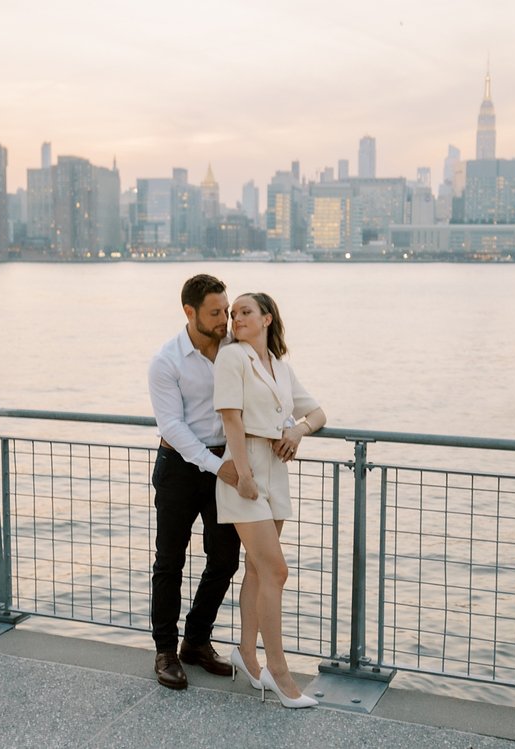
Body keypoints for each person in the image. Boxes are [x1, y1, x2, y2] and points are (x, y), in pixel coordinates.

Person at [213, 292, 326, 709]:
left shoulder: (280, 367)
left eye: (245, 312)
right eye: (233, 313)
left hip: (277, 470)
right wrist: (242, 475)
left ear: (267, 318)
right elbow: (231, 418)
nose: (236, 318)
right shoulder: (232, 357)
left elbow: (317, 413)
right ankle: (279, 673)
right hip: (246, 469)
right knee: (276, 570)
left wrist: (297, 431)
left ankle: (245, 653)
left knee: (259, 572)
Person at [148, 274, 242, 690]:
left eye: (226, 310)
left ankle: (197, 642)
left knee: (225, 559)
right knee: (170, 561)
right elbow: (172, 424)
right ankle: (166, 651)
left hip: (225, 464)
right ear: (190, 312)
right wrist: (213, 464)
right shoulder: (166, 361)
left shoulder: (235, 349)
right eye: (215, 313)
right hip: (181, 467)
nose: (225, 319)